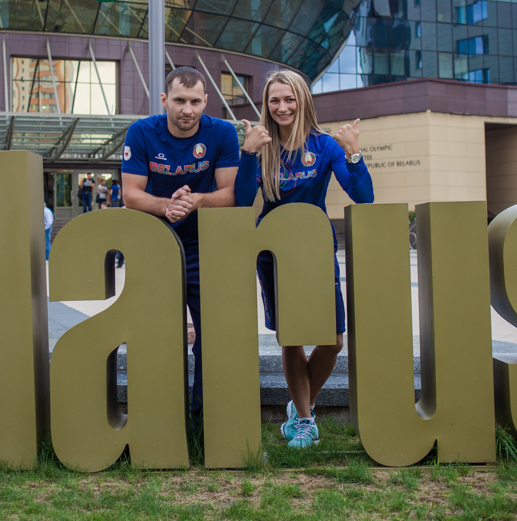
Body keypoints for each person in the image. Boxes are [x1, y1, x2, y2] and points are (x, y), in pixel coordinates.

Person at [235, 69, 373, 449]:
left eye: (289, 99)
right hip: (274, 253)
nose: (282, 107)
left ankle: (300, 407)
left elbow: (364, 197)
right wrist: (248, 154)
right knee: (291, 338)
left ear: (303, 101)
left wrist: (354, 152)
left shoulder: (324, 145)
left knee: (334, 340)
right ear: (267, 104)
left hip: (314, 250)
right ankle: (307, 422)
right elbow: (243, 201)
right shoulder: (259, 143)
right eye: (275, 100)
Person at [122, 66, 240, 426]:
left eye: (194, 101)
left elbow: (232, 193)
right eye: (178, 101)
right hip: (157, 247)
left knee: (212, 336)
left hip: (207, 248)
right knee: (158, 335)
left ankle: (203, 421)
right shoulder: (142, 132)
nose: (186, 109)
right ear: (164, 100)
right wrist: (166, 206)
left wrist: (195, 201)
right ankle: (164, 422)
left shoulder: (222, 133)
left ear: (205, 101)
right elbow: (130, 194)